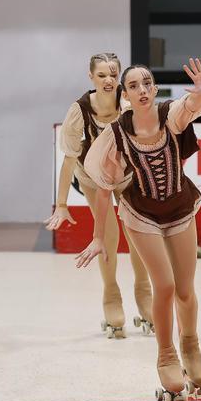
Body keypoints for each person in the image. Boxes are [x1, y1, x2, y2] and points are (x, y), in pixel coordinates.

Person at [77, 58, 201, 401]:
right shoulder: (116, 134)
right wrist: (97, 236)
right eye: (133, 85)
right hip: (141, 215)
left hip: (180, 208)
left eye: (146, 83)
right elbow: (104, 186)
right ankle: (166, 353)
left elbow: (193, 105)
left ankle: (191, 344)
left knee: (185, 289)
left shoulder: (171, 115)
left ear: (154, 89)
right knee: (164, 285)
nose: (141, 90)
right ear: (125, 94)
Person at [45, 53, 153, 337]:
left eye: (113, 74)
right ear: (91, 76)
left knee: (136, 230)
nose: (109, 80)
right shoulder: (78, 111)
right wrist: (61, 204)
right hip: (92, 177)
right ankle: (111, 293)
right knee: (107, 233)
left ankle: (143, 290)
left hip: (126, 174)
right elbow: (69, 159)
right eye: (102, 75)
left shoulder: (128, 103)